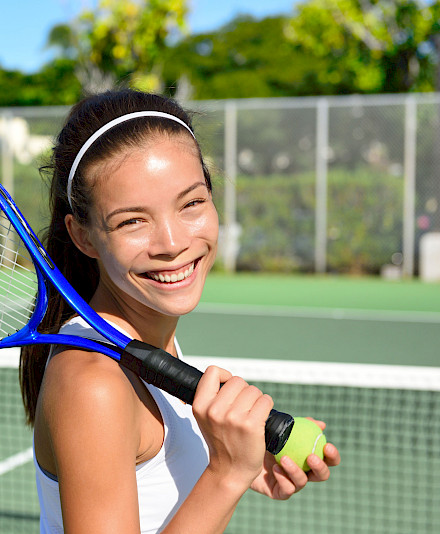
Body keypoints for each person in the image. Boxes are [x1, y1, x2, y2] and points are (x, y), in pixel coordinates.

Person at [19, 88, 340, 534]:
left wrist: (239, 465)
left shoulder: (148, 339)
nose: (171, 243)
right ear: (84, 236)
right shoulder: (93, 383)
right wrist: (224, 475)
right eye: (132, 220)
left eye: (191, 203)